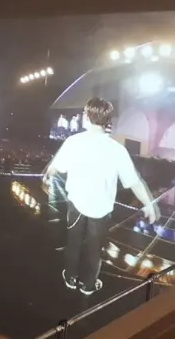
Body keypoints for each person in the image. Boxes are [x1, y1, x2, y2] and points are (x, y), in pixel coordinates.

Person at [45, 97, 159, 295]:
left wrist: (48, 175)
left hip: (76, 205)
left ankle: (70, 278)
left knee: (73, 243)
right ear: (107, 121)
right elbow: (135, 182)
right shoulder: (117, 150)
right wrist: (149, 204)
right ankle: (88, 285)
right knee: (94, 249)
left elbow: (55, 167)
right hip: (101, 209)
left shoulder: (73, 142)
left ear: (86, 116)